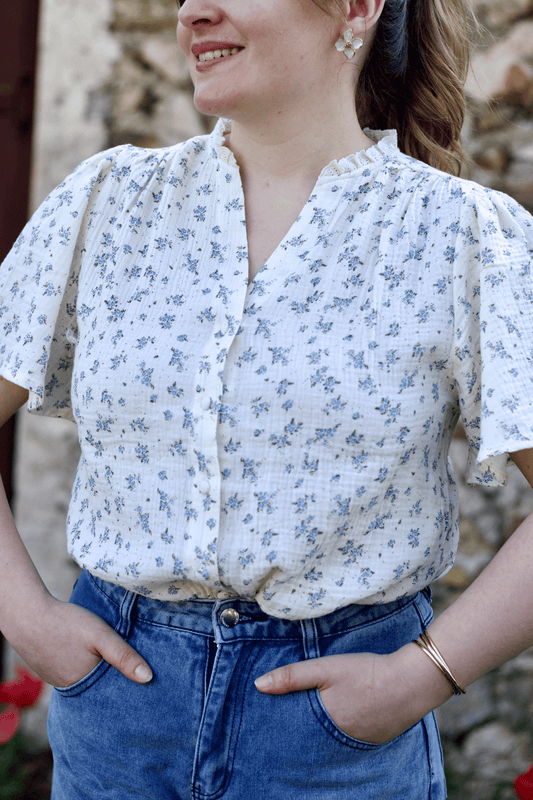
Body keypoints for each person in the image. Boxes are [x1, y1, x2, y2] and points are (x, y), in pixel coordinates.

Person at [1, 0, 533, 797]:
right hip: (118, 713)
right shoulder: (108, 203)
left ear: (354, 9)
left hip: (334, 736)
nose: (192, 12)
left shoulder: (461, 235)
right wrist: (28, 620)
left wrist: (424, 675)